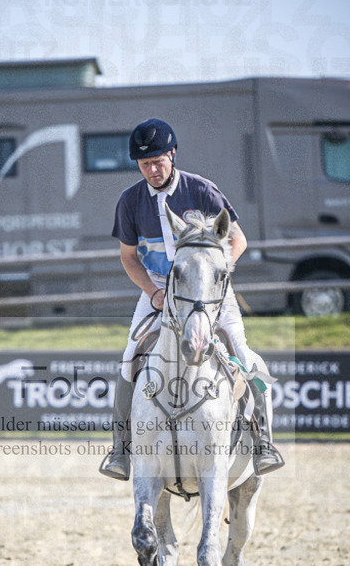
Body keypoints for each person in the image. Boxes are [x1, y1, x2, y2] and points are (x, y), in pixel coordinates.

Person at [99, 117, 284, 481]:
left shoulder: (201, 190)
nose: (152, 170)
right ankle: (120, 448)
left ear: (172, 154)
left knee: (244, 354)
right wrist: (153, 292)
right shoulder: (130, 201)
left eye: (157, 161)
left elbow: (238, 240)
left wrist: (214, 278)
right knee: (130, 357)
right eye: (144, 164)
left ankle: (263, 440)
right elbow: (128, 257)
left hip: (208, 293)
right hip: (158, 290)